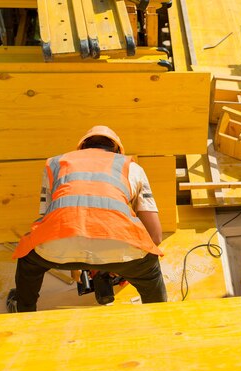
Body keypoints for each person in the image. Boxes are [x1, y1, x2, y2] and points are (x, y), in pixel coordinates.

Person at [10, 125, 167, 312]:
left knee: (28, 261)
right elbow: (155, 237)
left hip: (58, 246)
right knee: (150, 274)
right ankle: (160, 316)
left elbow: (50, 219)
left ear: (82, 147)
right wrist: (120, 261)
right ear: (117, 150)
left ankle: (24, 309)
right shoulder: (131, 167)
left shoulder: (55, 163)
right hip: (123, 249)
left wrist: (74, 260)